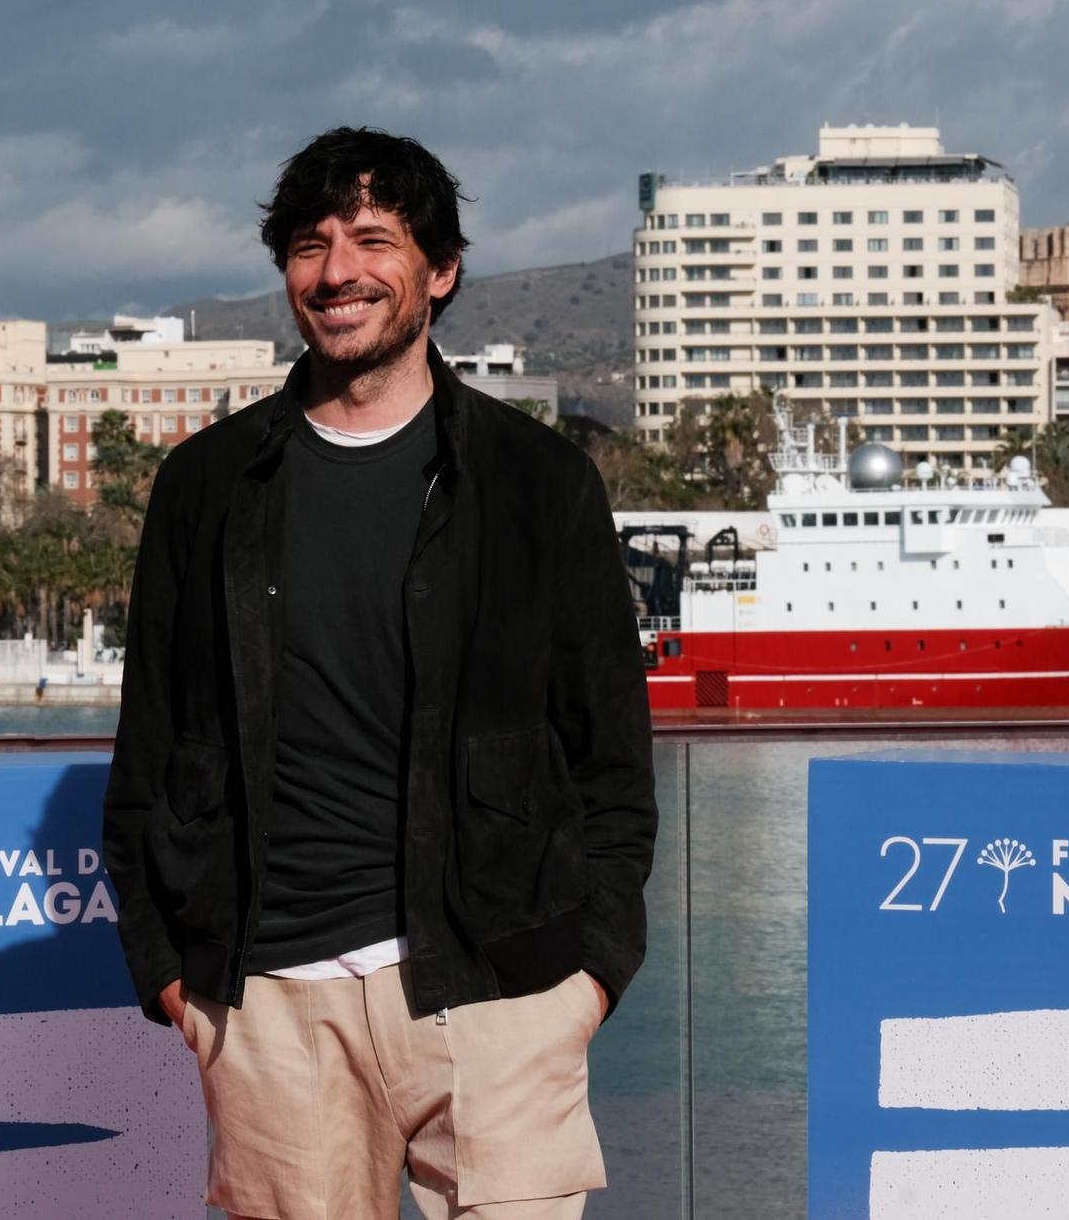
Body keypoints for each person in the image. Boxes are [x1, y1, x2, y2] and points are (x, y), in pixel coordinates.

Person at [103, 126, 656, 1219]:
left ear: (439, 270)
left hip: (503, 993)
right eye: (309, 245)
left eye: (371, 238)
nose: (336, 270)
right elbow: (152, 749)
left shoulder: (537, 481)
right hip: (271, 1007)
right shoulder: (206, 485)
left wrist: (588, 975)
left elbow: (608, 758)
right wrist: (171, 972)